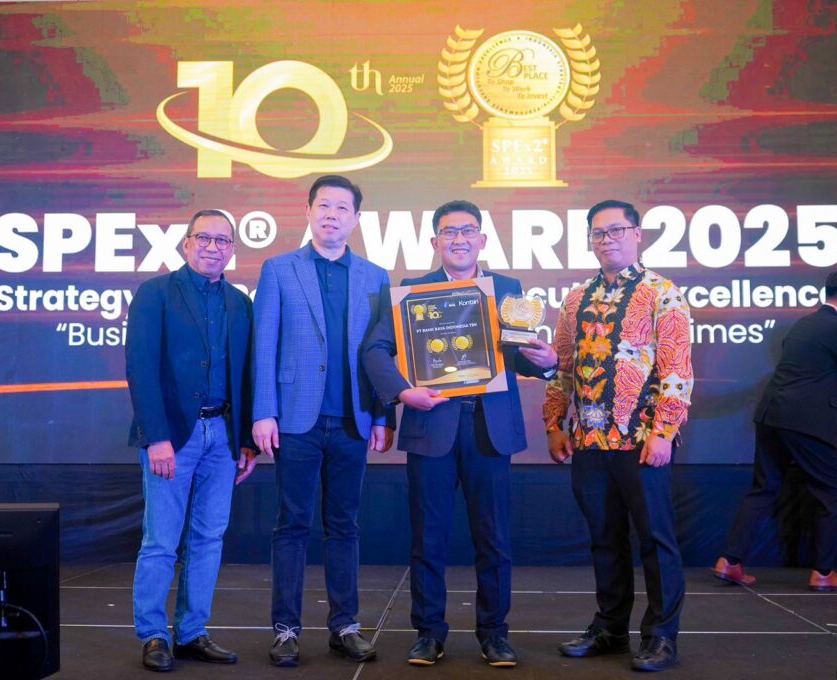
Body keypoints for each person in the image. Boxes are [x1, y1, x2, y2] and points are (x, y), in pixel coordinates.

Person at [363, 200, 559, 668]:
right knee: (428, 539)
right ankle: (429, 633)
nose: (459, 239)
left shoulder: (507, 291)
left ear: (482, 240)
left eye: (468, 231)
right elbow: (374, 350)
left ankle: (494, 634)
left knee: (494, 539)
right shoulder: (411, 292)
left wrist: (547, 363)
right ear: (435, 241)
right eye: (449, 232)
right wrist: (403, 392)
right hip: (432, 424)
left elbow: (515, 354)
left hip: (490, 429)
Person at [543, 199, 693, 673]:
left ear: (637, 234)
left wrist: (664, 431)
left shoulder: (662, 293)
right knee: (604, 540)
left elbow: (677, 370)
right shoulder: (575, 299)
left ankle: (662, 637)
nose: (606, 240)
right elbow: (562, 367)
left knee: (655, 540)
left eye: (616, 231)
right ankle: (610, 628)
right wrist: (554, 423)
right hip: (588, 441)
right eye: (598, 233)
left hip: (642, 440)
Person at [252, 175, 394, 667]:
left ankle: (345, 626)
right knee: (291, 525)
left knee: (344, 526)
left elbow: (383, 352)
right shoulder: (278, 269)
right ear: (308, 211)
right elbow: (264, 344)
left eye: (342, 208)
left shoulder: (375, 276)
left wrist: (383, 414)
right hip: (295, 419)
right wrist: (263, 411)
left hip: (354, 419)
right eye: (324, 205)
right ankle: (286, 630)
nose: (332, 214)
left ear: (356, 218)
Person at [714, 269, 837, 592]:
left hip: (771, 415)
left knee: (763, 489)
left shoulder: (803, 325)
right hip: (807, 421)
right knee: (830, 494)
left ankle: (730, 561)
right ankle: (822, 573)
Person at [126, 209, 258, 672]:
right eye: (204, 238)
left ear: (232, 250)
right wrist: (156, 438)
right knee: (161, 541)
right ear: (186, 244)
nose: (212, 247)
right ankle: (153, 635)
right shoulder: (156, 293)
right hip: (173, 437)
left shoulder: (240, 303)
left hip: (223, 436)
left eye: (223, 241)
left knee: (208, 538)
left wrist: (247, 440)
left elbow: (246, 374)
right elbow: (140, 367)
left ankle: (191, 632)